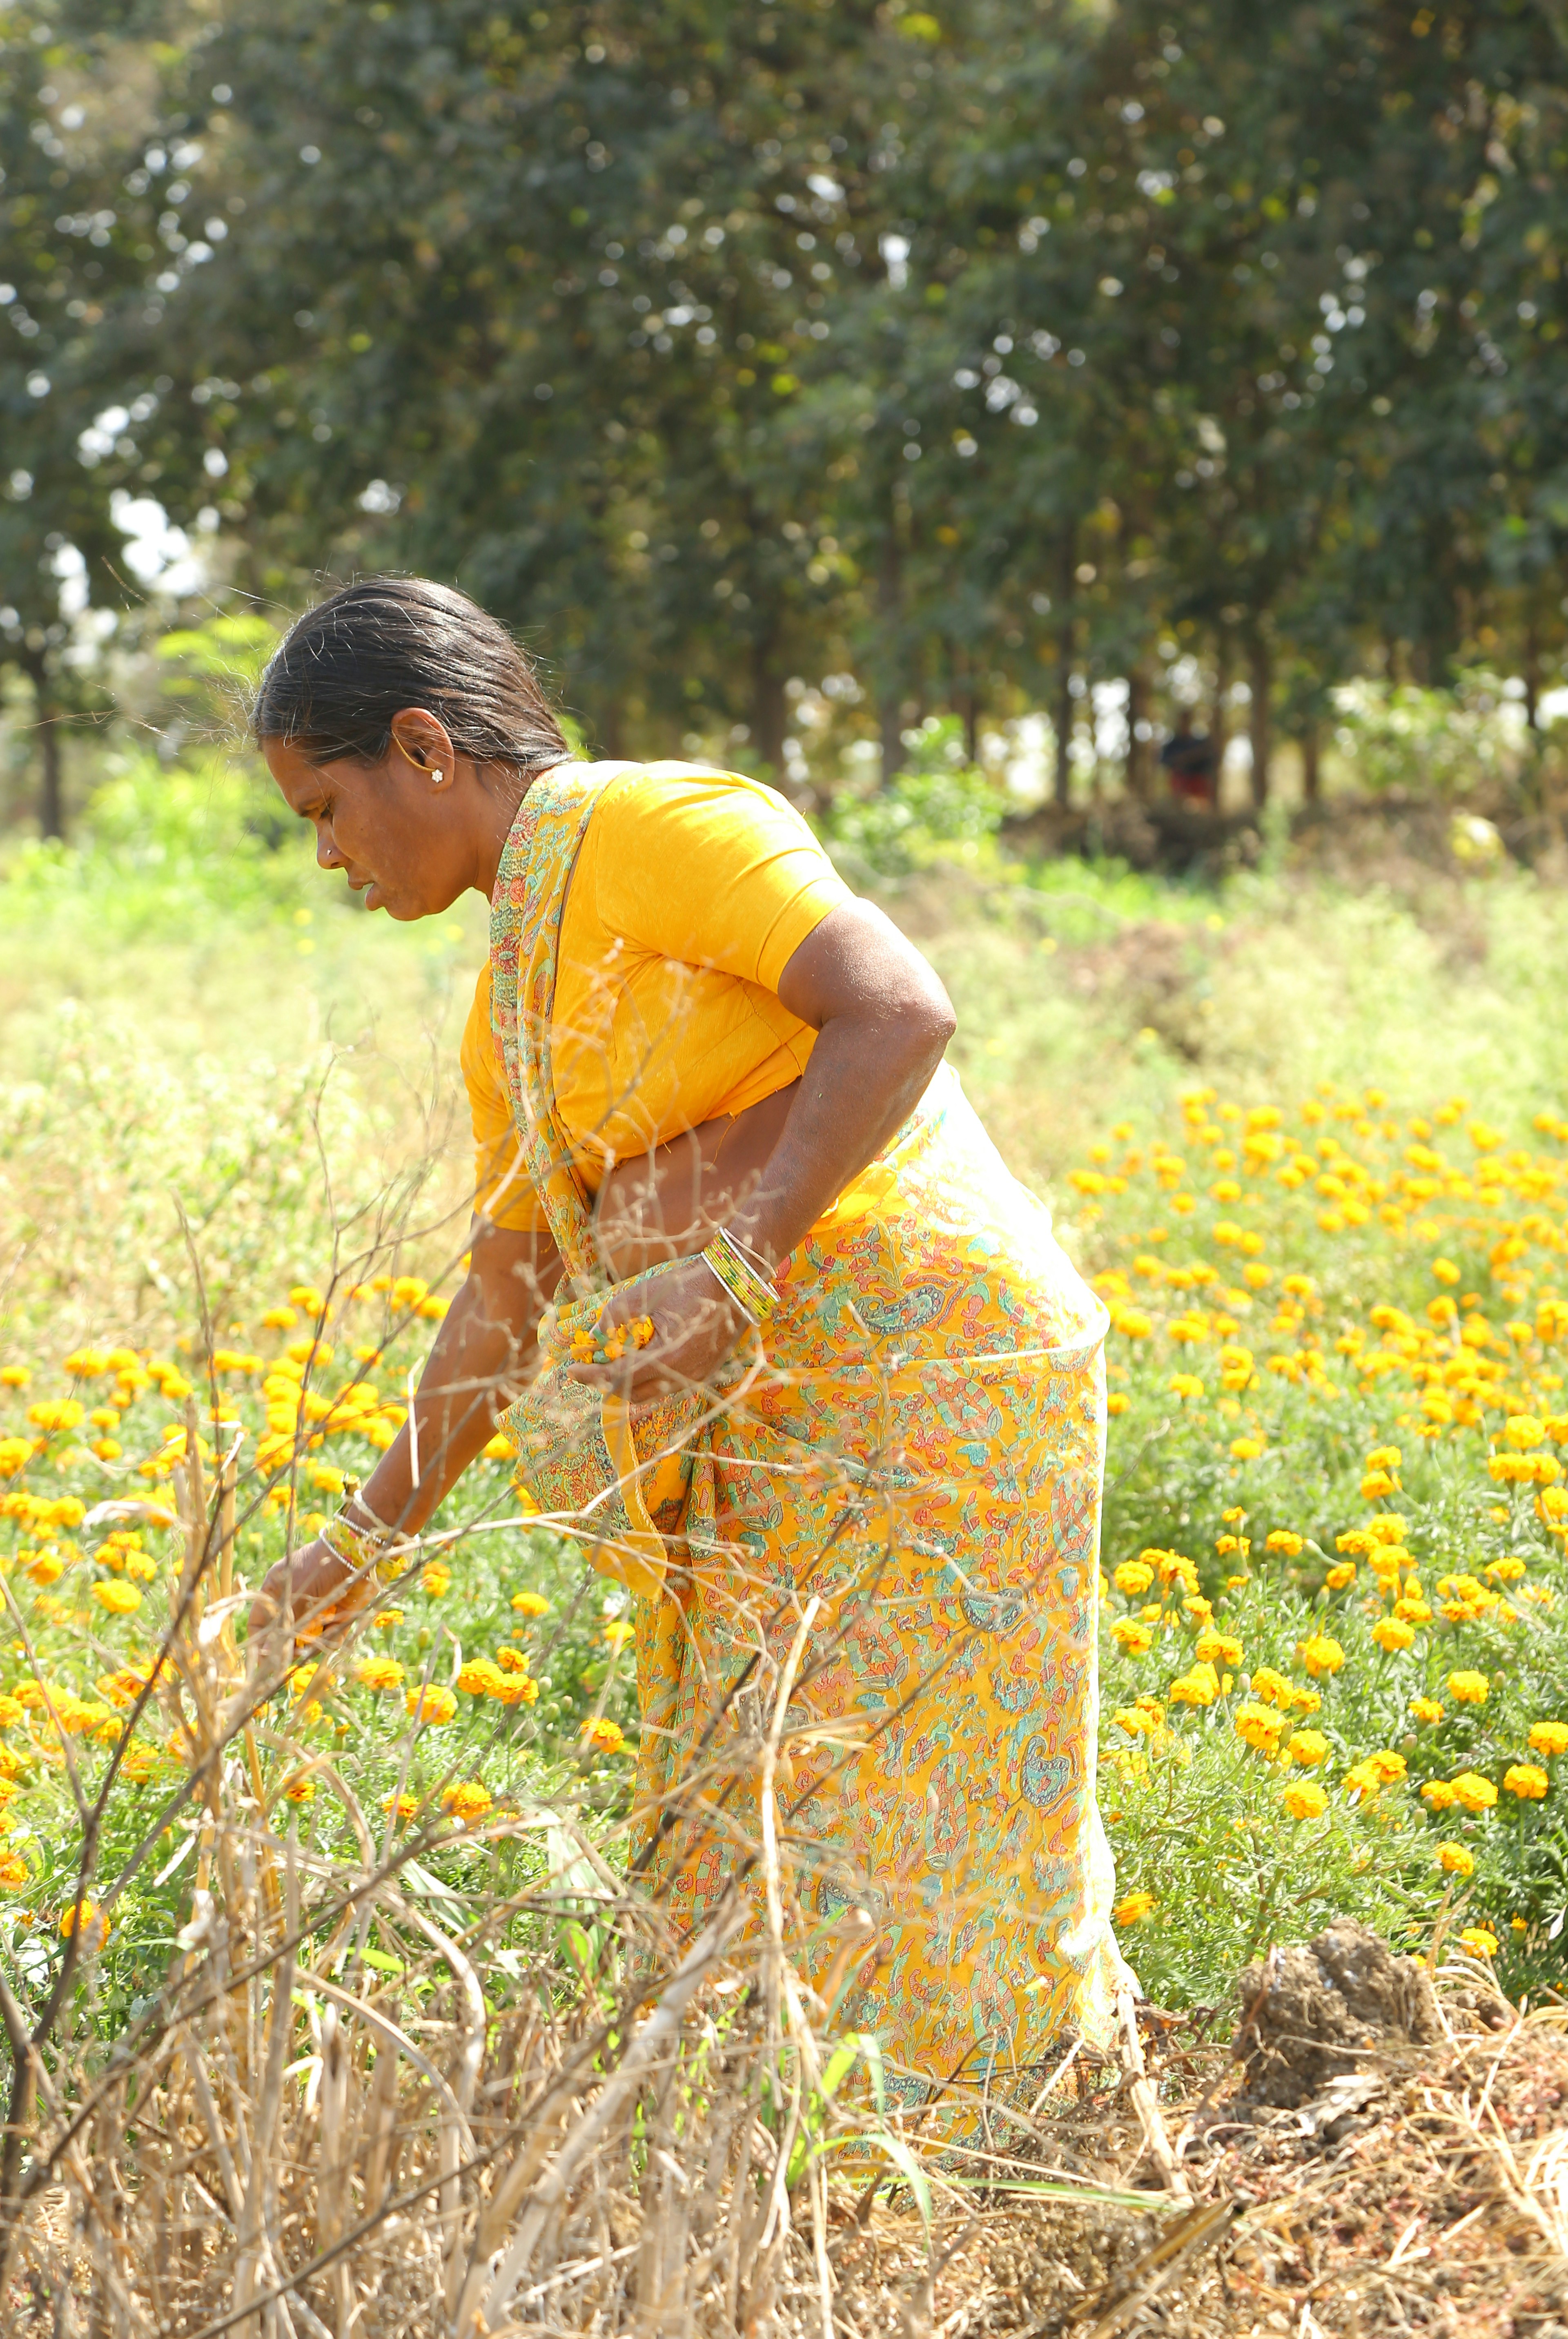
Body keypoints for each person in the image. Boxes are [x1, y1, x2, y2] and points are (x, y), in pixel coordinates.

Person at [250, 575, 1122, 2116]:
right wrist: (356, 1541)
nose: (325, 854)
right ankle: (823, 2173)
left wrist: (736, 1251)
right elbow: (505, 1293)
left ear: (423, 746)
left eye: (327, 806)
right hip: (788, 1419)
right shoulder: (505, 999)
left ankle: (972, 2154)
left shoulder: (651, 825)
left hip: (926, 1377)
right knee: (770, 1798)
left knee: (908, 1799)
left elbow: (900, 1010)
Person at [1158, 707, 1220, 806]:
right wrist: (1181, 759)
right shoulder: (1173, 744)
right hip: (1180, 782)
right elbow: (1164, 761)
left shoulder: (1198, 743)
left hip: (1197, 784)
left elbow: (1210, 762)